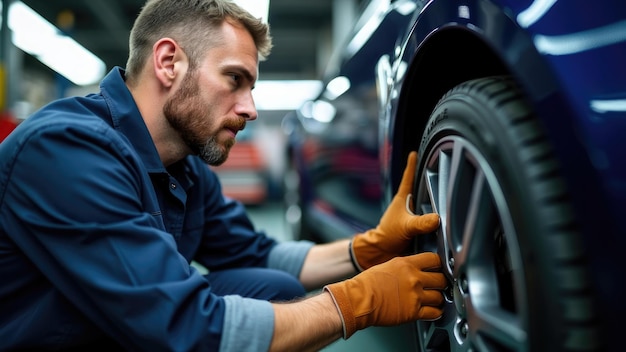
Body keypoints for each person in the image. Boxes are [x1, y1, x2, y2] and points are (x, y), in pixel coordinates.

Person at [0, 0, 447, 350]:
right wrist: (357, 303)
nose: (250, 109)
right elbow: (190, 330)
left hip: (113, 324)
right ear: (169, 62)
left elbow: (256, 254)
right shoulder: (67, 150)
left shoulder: (185, 166)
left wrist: (364, 251)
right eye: (235, 79)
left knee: (275, 289)